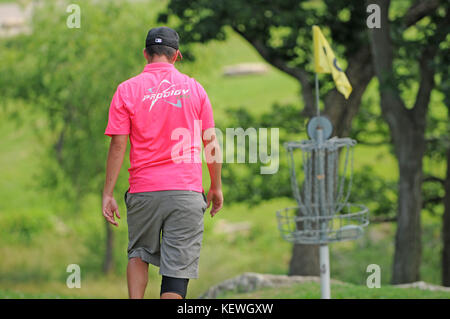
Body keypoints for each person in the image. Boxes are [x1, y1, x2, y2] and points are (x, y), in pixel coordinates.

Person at [101, 26, 223, 299]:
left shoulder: (126, 90)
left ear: (146, 54)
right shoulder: (195, 89)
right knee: (176, 272)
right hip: (186, 193)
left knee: (139, 253)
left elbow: (118, 144)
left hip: (144, 192)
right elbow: (211, 142)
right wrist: (215, 186)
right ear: (176, 55)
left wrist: (108, 193)